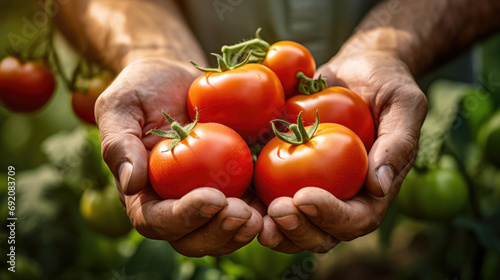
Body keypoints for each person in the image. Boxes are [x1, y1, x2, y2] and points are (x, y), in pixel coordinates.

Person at [56, 0, 500, 257]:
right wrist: (149, 49)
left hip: (423, 138)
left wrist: (392, 45)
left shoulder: (239, 98)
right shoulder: (266, 90)